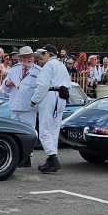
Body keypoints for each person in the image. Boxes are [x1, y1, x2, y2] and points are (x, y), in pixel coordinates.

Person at [31, 44, 71, 173]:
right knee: (54, 128)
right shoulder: (61, 66)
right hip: (61, 97)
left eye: (43, 54)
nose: (41, 57)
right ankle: (51, 157)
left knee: (44, 129)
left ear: (50, 54)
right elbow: (68, 83)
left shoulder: (48, 66)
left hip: (50, 96)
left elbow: (42, 85)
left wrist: (34, 100)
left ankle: (53, 158)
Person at [0, 46, 39, 165]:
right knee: (14, 133)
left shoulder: (38, 71)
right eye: (26, 57)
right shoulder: (14, 69)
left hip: (28, 108)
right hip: (15, 106)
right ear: (21, 58)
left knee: (28, 132)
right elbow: (4, 86)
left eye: (30, 56)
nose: (29, 59)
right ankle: (15, 156)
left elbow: (40, 90)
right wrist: (8, 83)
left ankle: (27, 157)